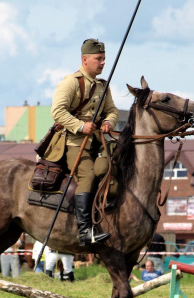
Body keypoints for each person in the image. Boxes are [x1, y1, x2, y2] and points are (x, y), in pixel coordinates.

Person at [49, 38, 119, 247]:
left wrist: (108, 121)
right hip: (72, 142)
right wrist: (81, 126)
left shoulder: (102, 85)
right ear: (85, 59)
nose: (103, 62)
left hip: (98, 142)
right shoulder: (71, 82)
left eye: (104, 59)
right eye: (99, 59)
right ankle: (84, 231)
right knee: (87, 174)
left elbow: (112, 110)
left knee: (112, 167)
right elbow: (57, 111)